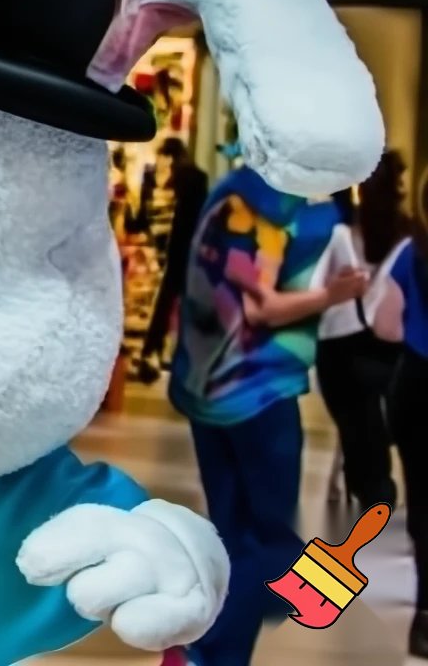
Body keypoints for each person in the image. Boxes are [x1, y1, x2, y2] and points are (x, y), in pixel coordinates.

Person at [169, 163, 367, 666]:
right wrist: (331, 295)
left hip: (203, 387)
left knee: (232, 533)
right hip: (259, 389)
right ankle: (209, 655)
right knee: (266, 539)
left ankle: (204, 649)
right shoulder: (293, 210)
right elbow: (262, 308)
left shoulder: (232, 186)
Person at [316, 164, 407, 512]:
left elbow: (319, 292)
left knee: (356, 417)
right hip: (390, 350)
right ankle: (375, 478)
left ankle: (369, 483)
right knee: (382, 411)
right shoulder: (406, 239)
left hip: (340, 346)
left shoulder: (341, 235)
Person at [373, 156, 428, 657]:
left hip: (415, 386)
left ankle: (424, 615)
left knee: (423, 503)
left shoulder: (414, 252)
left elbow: (385, 323)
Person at [134, 137, 208, 383]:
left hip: (172, 252)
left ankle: (153, 353)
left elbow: (144, 218)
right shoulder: (185, 178)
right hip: (172, 252)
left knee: (167, 304)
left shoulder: (181, 178)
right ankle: (159, 354)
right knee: (172, 305)